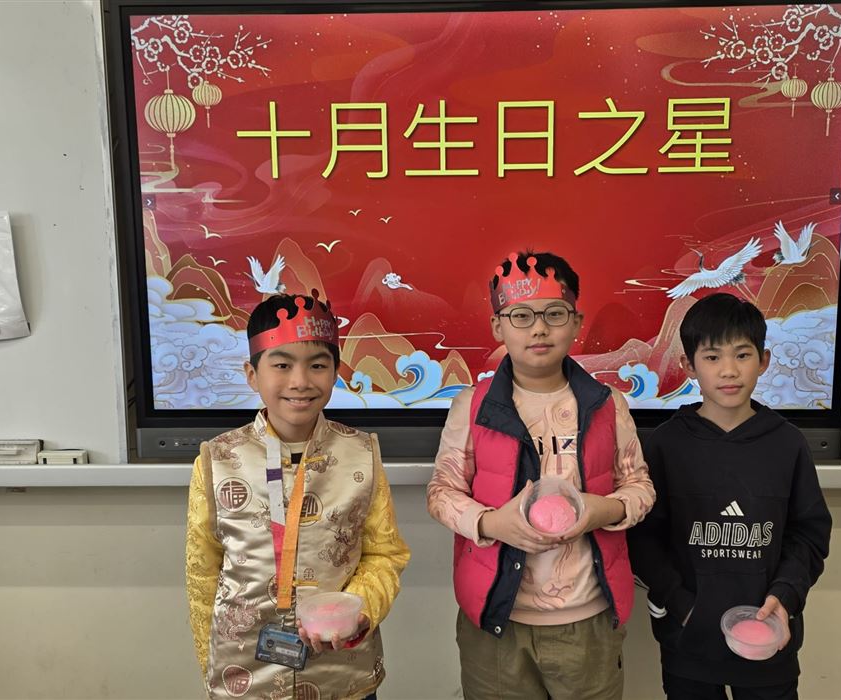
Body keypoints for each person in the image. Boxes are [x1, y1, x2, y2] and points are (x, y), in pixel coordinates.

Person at [427, 251, 655, 699]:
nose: (538, 328)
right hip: (497, 622)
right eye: (521, 316)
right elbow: (441, 492)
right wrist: (492, 522)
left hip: (587, 619)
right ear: (498, 327)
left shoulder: (607, 405)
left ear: (576, 322)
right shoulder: (472, 406)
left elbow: (640, 487)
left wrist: (602, 510)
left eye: (554, 314)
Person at [186, 292, 410, 700]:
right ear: (252, 374)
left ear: (336, 372)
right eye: (282, 365)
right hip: (245, 675)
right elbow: (202, 573)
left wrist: (360, 609)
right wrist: (211, 662)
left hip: (341, 672)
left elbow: (385, 554)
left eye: (318, 365)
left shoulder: (361, 453)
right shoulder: (217, 460)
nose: (300, 381)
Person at [627, 292, 832, 700]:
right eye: (712, 357)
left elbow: (808, 535)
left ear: (764, 361)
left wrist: (784, 596)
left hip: (769, 640)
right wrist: (681, 604)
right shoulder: (666, 444)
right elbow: (644, 538)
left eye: (742, 355)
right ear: (688, 365)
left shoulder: (787, 443)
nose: (729, 370)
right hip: (688, 641)